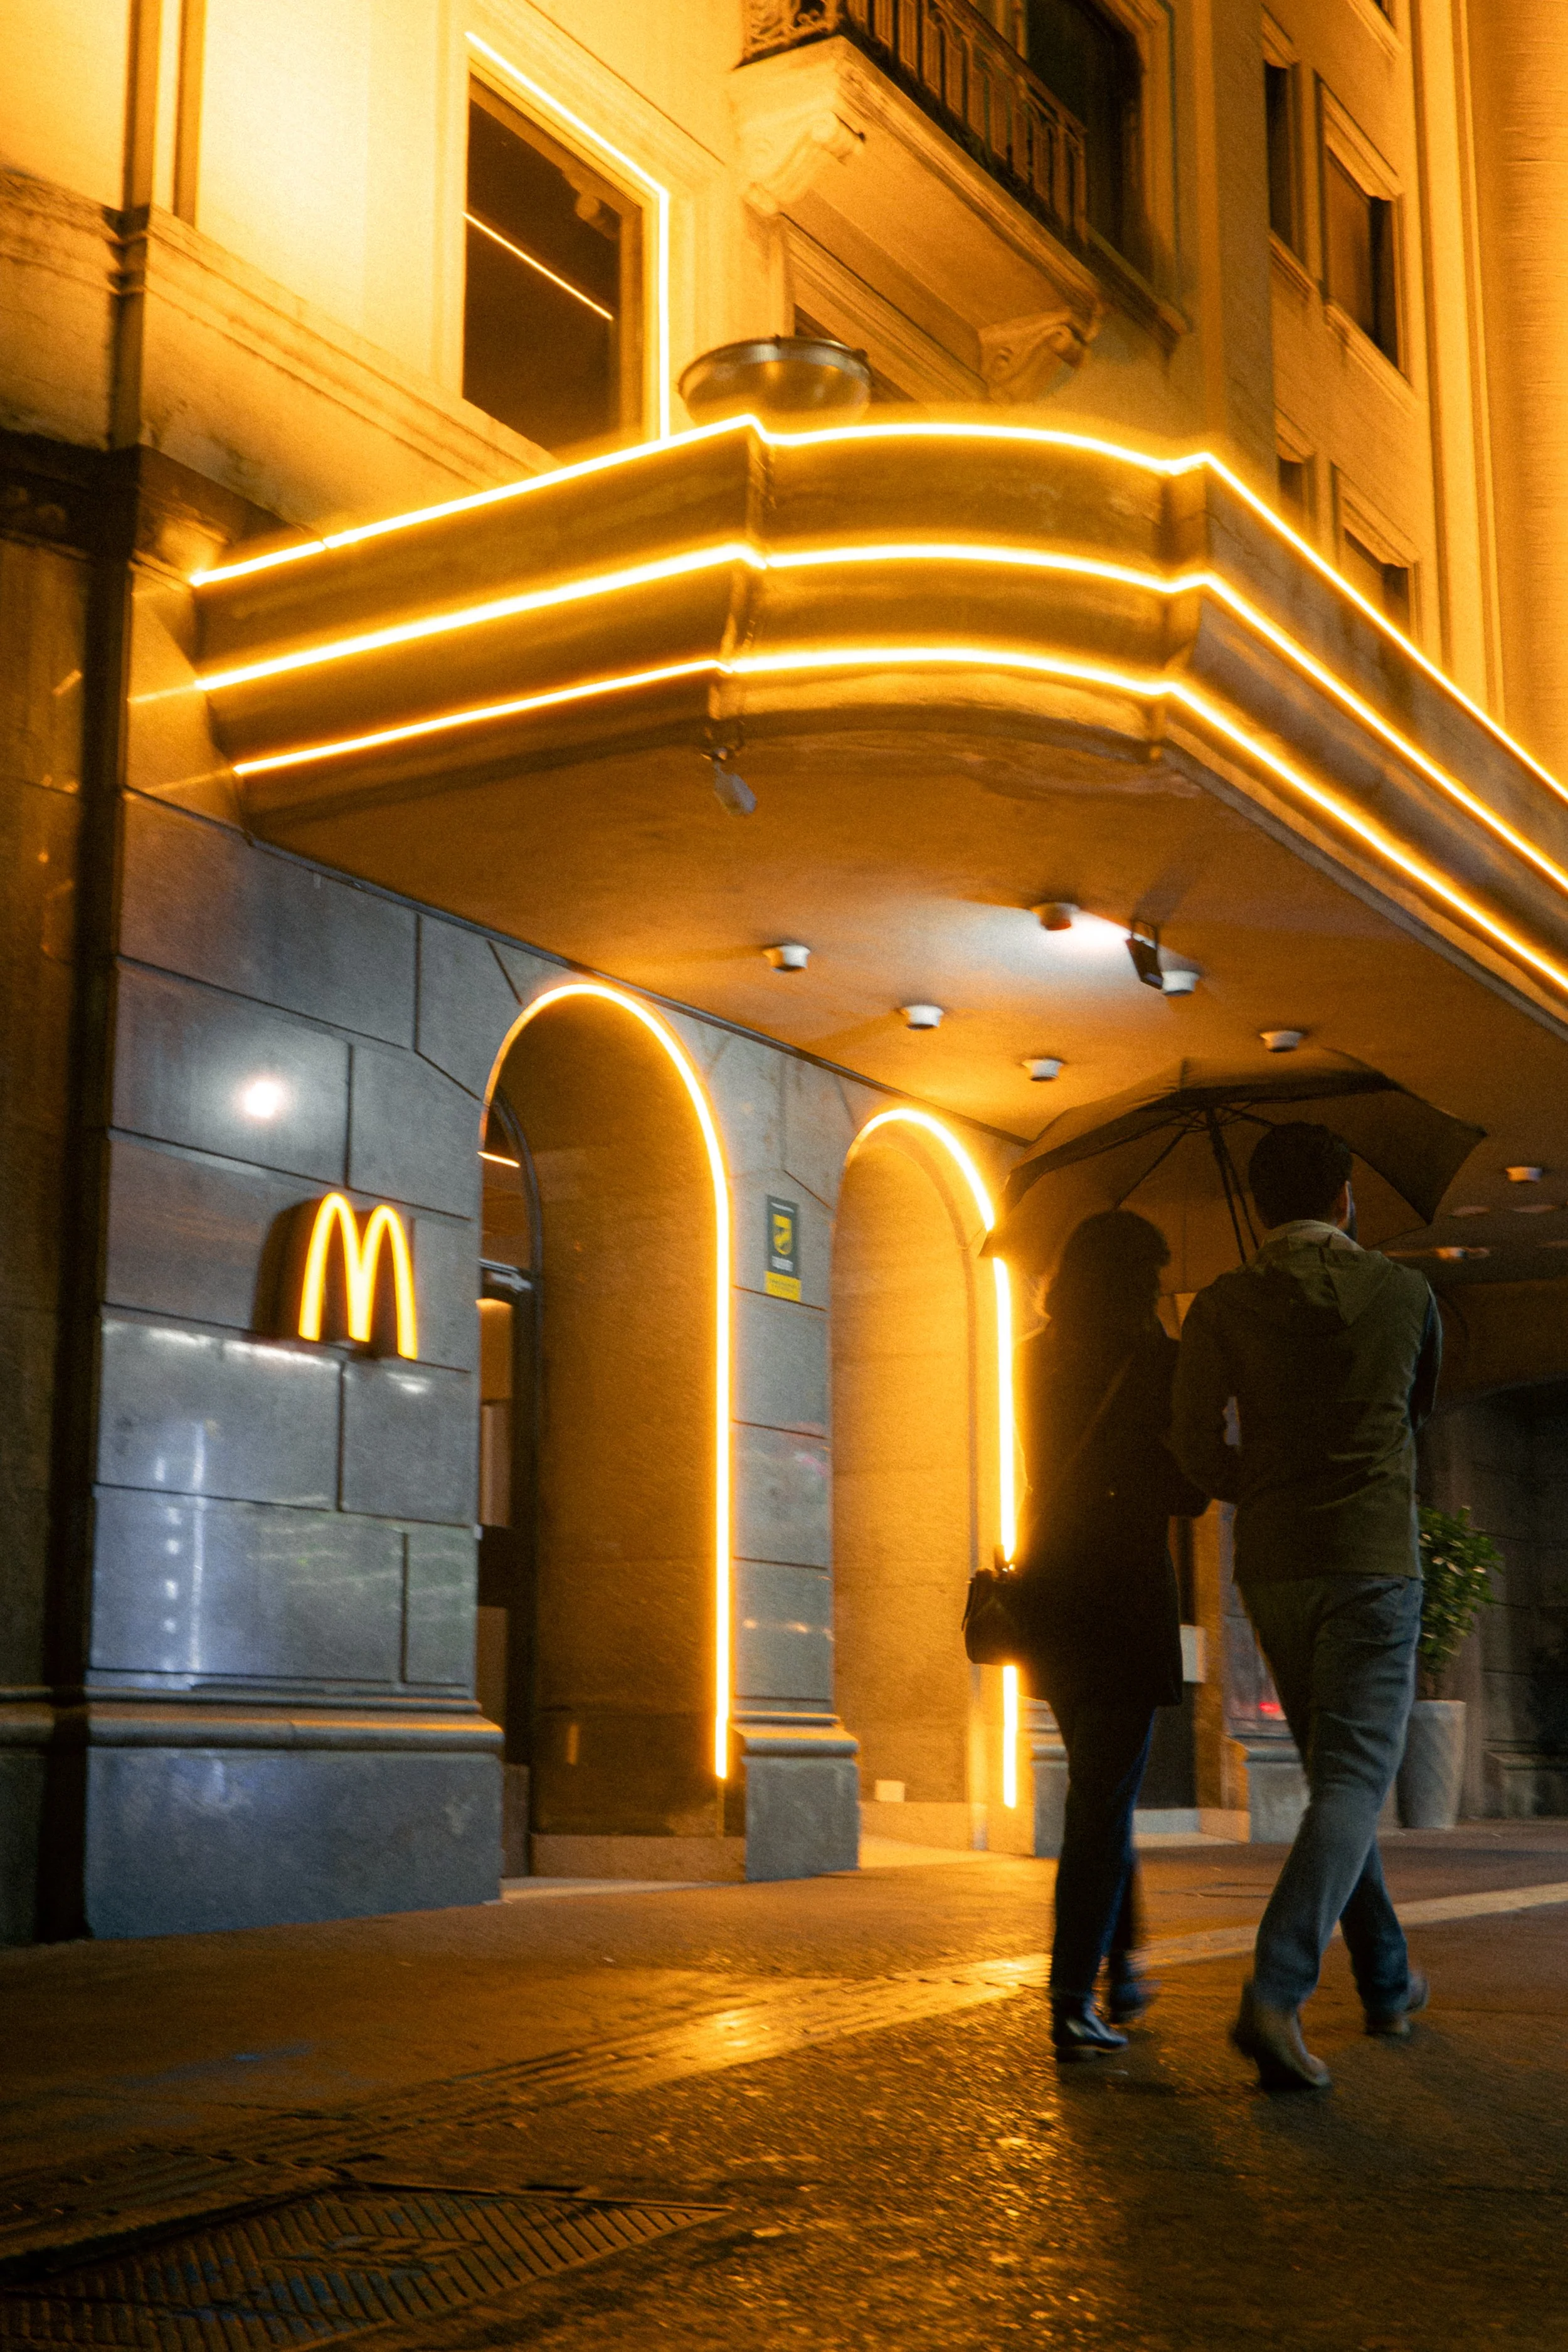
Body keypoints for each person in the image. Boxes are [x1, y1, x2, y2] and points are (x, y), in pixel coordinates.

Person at [1172, 1121, 1442, 2091]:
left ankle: (1387, 1978)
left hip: (1276, 1565)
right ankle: (1276, 1991)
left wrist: (1271, 1479)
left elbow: (1196, 1450)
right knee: (1354, 1780)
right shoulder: (1406, 1292)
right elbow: (1415, 1412)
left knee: (1339, 1775)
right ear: (1344, 1196)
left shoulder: (1224, 1304)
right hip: (1373, 1557)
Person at [1014, 1209, 1208, 2061]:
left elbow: (1050, 1465)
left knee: (1103, 1783)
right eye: (1155, 1275)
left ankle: (1121, 1969)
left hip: (1053, 1592)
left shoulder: (1032, 1355)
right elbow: (1187, 1489)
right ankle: (1069, 1993)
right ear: (1133, 1281)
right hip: (1125, 1596)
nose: (1161, 1288)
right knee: (1099, 1800)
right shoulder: (1159, 1360)